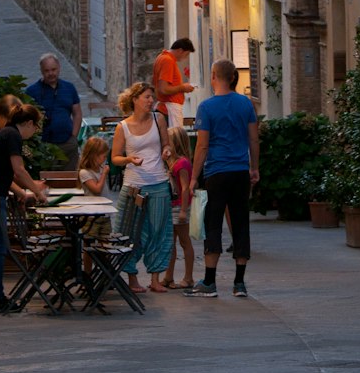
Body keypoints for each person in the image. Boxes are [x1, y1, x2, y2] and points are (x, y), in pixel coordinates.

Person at [185, 58, 259, 299]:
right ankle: (239, 283)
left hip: (216, 171)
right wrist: (254, 168)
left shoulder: (206, 108)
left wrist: (194, 177)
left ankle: (209, 280)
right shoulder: (245, 104)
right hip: (240, 171)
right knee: (240, 223)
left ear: (214, 75)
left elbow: (202, 146)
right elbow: (253, 140)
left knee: (213, 223)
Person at [0, 102, 49, 313]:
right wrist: (37, 192)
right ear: (28, 123)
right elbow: (18, 170)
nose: (34, 132)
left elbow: (6, 174)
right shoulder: (13, 136)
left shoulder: (6, 133)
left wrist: (22, 193)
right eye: (35, 127)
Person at [111, 82, 174, 294]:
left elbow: (167, 144)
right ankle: (132, 278)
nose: (150, 101)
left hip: (158, 182)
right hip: (133, 185)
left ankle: (156, 278)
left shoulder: (159, 119)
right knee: (129, 231)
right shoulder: (123, 127)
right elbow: (115, 158)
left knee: (159, 230)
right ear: (135, 99)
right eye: (146, 97)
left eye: (151, 97)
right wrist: (129, 158)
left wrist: (166, 151)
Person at [26, 54, 82, 169]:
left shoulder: (69, 88)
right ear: (41, 71)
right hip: (44, 145)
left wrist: (74, 136)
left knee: (69, 179)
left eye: (53, 69)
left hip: (67, 143)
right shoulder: (31, 91)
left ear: (59, 68)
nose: (51, 73)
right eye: (47, 70)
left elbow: (77, 113)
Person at [163, 125, 195, 290]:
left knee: (184, 241)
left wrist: (183, 210)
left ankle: (188, 277)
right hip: (172, 205)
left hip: (179, 206)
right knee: (171, 242)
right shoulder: (173, 161)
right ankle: (169, 276)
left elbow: (184, 187)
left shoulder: (182, 163)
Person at [77, 137, 112, 259]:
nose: (104, 160)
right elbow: (97, 189)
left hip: (105, 214)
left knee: (105, 244)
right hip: (91, 216)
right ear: (93, 155)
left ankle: (104, 269)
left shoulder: (100, 169)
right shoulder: (85, 172)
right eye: (103, 156)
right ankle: (88, 272)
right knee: (89, 246)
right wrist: (104, 174)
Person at [153, 38, 195, 127]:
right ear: (180, 50)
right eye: (186, 54)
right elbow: (163, 89)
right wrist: (183, 88)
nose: (185, 58)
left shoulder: (161, 57)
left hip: (166, 108)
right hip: (169, 109)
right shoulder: (167, 60)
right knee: (173, 139)